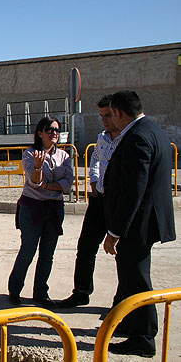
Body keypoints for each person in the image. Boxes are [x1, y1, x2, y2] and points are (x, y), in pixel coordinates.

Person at [102, 90, 176, 357]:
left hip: (139, 223)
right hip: (145, 220)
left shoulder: (137, 137)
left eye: (112, 114)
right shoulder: (152, 130)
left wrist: (114, 231)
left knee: (136, 278)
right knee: (131, 275)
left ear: (120, 113)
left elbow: (134, 190)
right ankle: (130, 323)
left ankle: (143, 336)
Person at [57, 95, 121, 308]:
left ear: (119, 113)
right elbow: (95, 159)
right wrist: (93, 179)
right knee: (85, 249)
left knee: (123, 254)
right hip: (99, 201)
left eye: (108, 115)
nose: (104, 120)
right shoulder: (102, 137)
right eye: (101, 116)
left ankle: (121, 302)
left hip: (119, 203)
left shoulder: (129, 139)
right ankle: (81, 292)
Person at [8, 117, 74, 309]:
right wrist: (39, 168)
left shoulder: (64, 156)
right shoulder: (30, 154)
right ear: (40, 133)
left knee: (47, 254)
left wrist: (47, 185)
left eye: (57, 130)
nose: (54, 133)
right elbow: (34, 182)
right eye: (49, 130)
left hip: (54, 210)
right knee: (27, 251)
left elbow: (68, 185)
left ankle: (41, 293)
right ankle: (14, 289)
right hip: (32, 208)